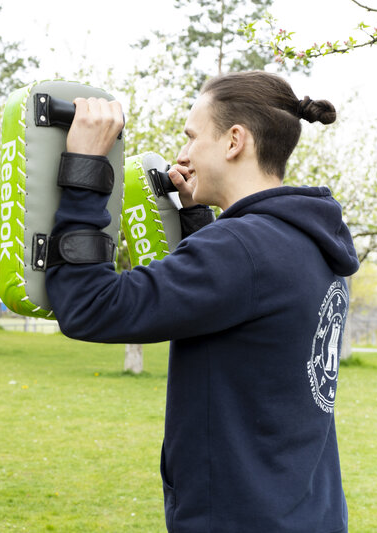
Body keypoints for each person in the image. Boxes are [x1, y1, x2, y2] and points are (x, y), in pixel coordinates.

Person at [44, 71, 358, 533]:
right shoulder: (311, 240)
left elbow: (88, 304)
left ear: (234, 141)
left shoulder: (241, 249)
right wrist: (196, 217)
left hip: (240, 519)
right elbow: (236, 302)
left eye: (192, 137)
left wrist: (85, 169)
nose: (183, 154)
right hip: (307, 512)